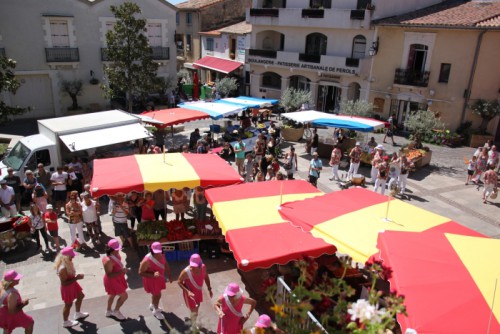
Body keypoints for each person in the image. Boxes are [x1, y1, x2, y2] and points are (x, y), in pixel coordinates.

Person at [54, 246, 88, 328]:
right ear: (66, 257)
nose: (73, 256)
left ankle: (77, 313)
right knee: (68, 305)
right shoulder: (62, 268)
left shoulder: (67, 263)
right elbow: (64, 283)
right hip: (67, 288)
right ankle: (65, 322)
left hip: (73, 284)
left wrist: (75, 277)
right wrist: (77, 278)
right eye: (71, 255)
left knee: (81, 296)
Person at [178, 254, 213, 329]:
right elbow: (179, 282)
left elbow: (206, 276)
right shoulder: (186, 272)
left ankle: (192, 320)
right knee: (194, 311)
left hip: (198, 292)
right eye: (191, 265)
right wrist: (188, 291)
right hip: (190, 294)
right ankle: (193, 325)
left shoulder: (203, 267)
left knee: (197, 306)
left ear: (200, 265)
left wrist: (209, 289)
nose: (192, 268)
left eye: (195, 266)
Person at [139, 242, 172, 320]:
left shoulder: (162, 254)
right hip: (151, 280)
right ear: (152, 251)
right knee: (158, 295)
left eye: (159, 252)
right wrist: (152, 275)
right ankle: (156, 310)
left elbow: (165, 264)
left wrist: (169, 275)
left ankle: (152, 304)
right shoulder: (146, 260)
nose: (158, 254)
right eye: (156, 252)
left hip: (158, 278)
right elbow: (140, 272)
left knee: (155, 294)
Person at [0, 270, 34, 334]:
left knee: (7, 327)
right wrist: (23, 304)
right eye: (16, 279)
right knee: (30, 324)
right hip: (11, 315)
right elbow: (12, 311)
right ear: (11, 281)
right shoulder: (12, 294)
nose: (19, 279)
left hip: (2, 313)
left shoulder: (1, 284)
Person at [102, 239, 128, 321]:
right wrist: (121, 272)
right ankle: (116, 311)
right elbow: (109, 275)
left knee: (112, 294)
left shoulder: (115, 254)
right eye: (116, 249)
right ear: (111, 250)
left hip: (117, 277)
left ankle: (108, 311)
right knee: (124, 296)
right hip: (112, 280)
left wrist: (121, 271)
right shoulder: (108, 261)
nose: (118, 250)